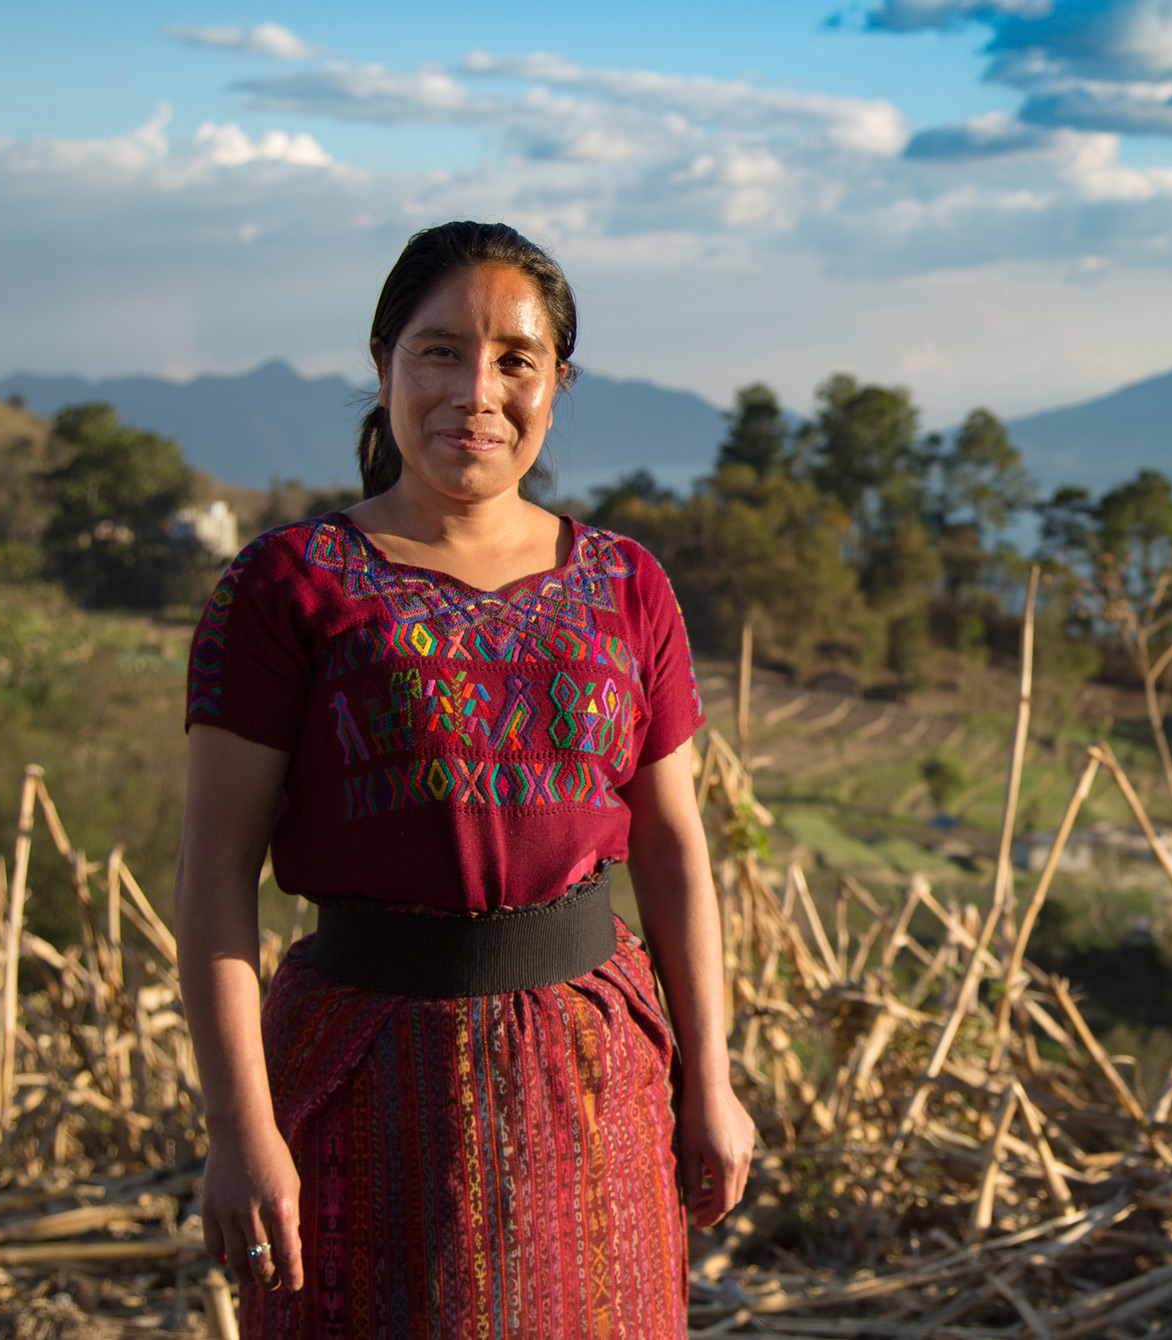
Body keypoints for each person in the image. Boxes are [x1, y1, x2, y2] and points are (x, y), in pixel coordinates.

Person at [175, 221, 753, 1338]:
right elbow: (214, 879)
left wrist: (710, 1082)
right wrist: (239, 1126)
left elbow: (677, 852)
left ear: (556, 382)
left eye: (514, 359)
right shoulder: (282, 589)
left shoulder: (628, 585)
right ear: (385, 360)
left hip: (595, 1074)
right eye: (439, 351)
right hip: (359, 1071)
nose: (474, 391)